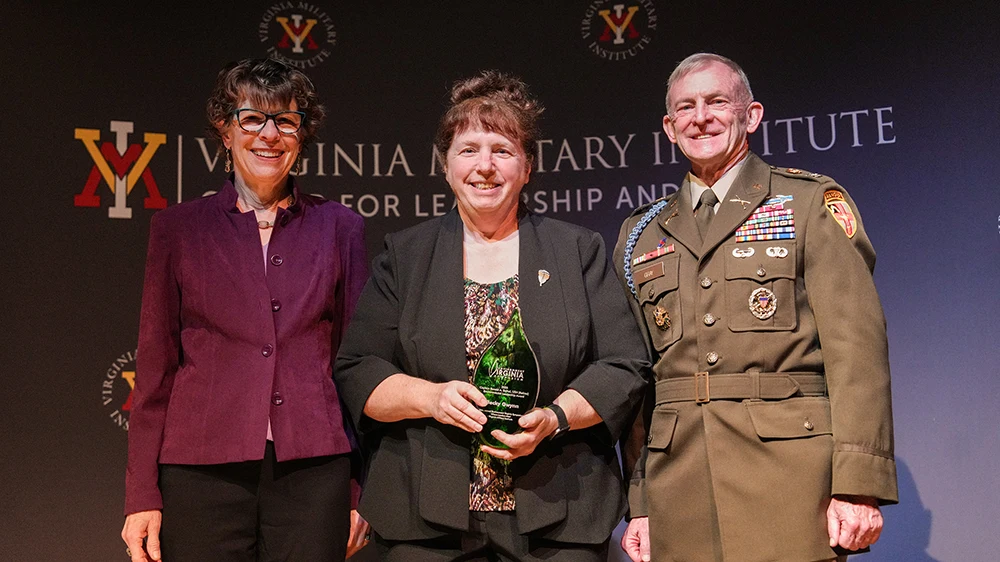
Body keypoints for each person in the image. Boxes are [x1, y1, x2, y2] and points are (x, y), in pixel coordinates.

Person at [334, 71, 648, 561]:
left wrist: (555, 417)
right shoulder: (406, 255)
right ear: (445, 166)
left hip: (557, 511)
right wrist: (430, 397)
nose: (485, 166)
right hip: (427, 516)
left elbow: (624, 365)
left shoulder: (576, 250)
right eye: (468, 149)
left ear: (527, 168)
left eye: (502, 150)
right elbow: (358, 369)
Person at [615, 53, 898, 562]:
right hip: (678, 490)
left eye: (717, 102)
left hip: (791, 483)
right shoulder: (641, 234)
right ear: (669, 127)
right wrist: (640, 502)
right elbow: (640, 382)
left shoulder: (807, 204)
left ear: (751, 116)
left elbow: (856, 354)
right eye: (686, 107)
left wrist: (858, 484)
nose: (700, 116)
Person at [121, 58, 370, 562]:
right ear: (225, 129)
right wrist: (142, 495)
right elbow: (154, 371)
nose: (269, 134)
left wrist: (361, 488)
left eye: (286, 120)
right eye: (251, 118)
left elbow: (357, 366)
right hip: (200, 471)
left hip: (315, 473)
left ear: (302, 135)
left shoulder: (341, 228)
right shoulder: (177, 229)